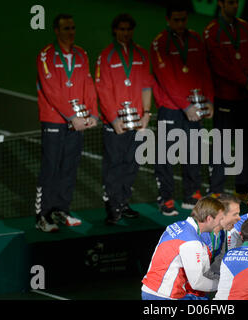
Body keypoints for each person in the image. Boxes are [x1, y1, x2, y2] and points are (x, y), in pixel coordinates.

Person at [35, 13, 98, 232]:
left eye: (72, 28)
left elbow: (88, 84)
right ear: (56, 31)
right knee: (50, 168)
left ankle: (62, 209)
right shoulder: (46, 56)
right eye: (65, 28)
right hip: (54, 119)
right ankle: (42, 215)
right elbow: (51, 90)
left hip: (77, 121)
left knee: (69, 166)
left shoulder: (81, 54)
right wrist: (73, 117)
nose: (70, 32)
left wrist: (93, 114)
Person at [150, 3, 214, 216]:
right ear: (168, 20)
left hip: (195, 107)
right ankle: (166, 198)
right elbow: (166, 78)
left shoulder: (195, 39)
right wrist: (185, 106)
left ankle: (191, 194)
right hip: (171, 108)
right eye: (175, 20)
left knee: (194, 152)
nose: (180, 24)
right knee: (166, 155)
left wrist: (209, 101)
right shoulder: (160, 42)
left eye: (183, 20)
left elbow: (204, 70)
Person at [203, 0, 248, 201]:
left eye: (237, 2)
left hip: (246, 98)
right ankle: (216, 190)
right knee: (222, 145)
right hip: (226, 97)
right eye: (231, 2)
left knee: (246, 145)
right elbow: (218, 65)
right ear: (221, 4)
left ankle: (243, 189)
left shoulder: (244, 26)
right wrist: (244, 81)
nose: (235, 6)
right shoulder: (212, 31)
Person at [95, 13, 154, 225]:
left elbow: (147, 86)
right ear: (115, 31)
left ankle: (124, 202)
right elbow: (103, 90)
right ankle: (112, 206)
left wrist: (146, 114)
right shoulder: (106, 56)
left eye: (129, 29)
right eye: (121, 29)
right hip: (116, 124)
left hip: (137, 122)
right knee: (114, 165)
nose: (125, 33)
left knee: (132, 164)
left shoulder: (141, 54)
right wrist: (112, 119)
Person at [141, 197, 224, 300]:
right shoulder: (192, 242)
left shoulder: (176, 226)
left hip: (150, 289)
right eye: (219, 220)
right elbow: (197, 282)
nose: (220, 223)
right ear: (209, 219)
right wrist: (222, 284)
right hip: (163, 296)